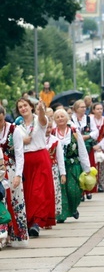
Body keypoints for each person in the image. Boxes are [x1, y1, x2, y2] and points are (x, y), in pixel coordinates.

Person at [16, 98, 55, 237]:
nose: (23, 108)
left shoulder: (39, 119)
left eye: (25, 105)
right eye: (20, 107)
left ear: (31, 107)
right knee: (28, 192)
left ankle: (37, 223)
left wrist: (42, 110)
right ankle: (29, 221)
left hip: (40, 158)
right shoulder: (18, 125)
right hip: (25, 161)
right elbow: (14, 142)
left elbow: (44, 121)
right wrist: (21, 140)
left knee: (39, 191)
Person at [52, 109, 91, 223]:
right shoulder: (53, 132)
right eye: (57, 117)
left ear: (67, 118)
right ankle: (61, 215)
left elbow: (82, 149)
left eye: (62, 116)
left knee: (74, 191)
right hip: (58, 166)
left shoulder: (74, 131)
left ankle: (73, 208)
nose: (60, 119)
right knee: (61, 191)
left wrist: (86, 167)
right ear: (55, 119)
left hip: (73, 165)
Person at [0, 105, 28, 246]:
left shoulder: (13, 130)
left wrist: (18, 175)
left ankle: (15, 236)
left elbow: (19, 154)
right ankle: (2, 237)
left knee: (14, 202)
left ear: (4, 116)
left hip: (11, 171)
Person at [71, 100, 98, 200]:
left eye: (84, 107)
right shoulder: (71, 119)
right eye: (81, 107)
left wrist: (87, 136)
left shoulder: (89, 119)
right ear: (76, 108)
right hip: (75, 148)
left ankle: (88, 190)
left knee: (88, 168)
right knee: (78, 169)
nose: (83, 109)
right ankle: (81, 192)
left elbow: (96, 132)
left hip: (87, 147)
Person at [45, 118, 65, 222]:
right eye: (46, 127)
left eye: (49, 127)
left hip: (53, 169)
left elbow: (60, 158)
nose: (48, 129)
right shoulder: (37, 140)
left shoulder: (55, 140)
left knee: (54, 191)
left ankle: (53, 213)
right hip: (42, 169)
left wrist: (63, 173)